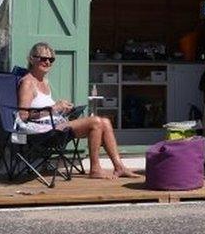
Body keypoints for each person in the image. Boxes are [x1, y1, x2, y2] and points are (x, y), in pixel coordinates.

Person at [16, 42, 139, 179]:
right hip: (40, 132)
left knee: (105, 121)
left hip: (53, 126)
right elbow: (23, 115)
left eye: (51, 60)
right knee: (96, 122)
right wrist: (54, 108)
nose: (47, 62)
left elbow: (46, 110)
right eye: (43, 58)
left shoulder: (44, 82)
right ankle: (95, 169)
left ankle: (119, 166)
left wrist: (63, 110)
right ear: (32, 59)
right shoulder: (27, 83)